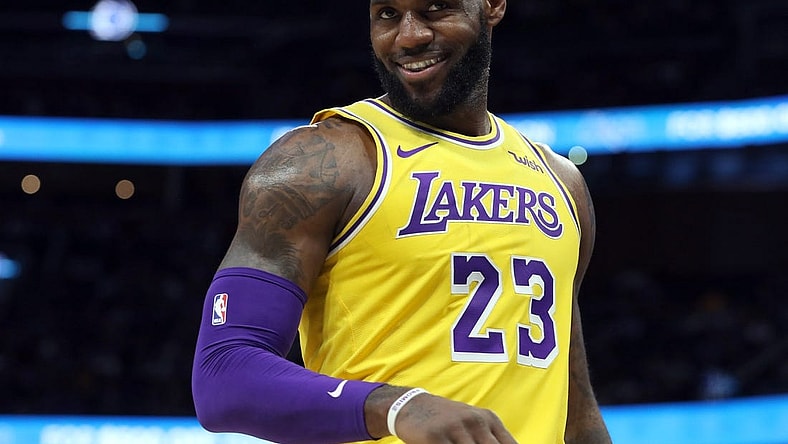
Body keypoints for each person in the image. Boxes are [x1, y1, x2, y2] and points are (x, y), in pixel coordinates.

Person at [192, 0, 612, 443]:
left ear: (492, 6)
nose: (409, 36)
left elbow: (576, 409)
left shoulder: (562, 184)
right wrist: (394, 406)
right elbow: (224, 373)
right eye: (388, 14)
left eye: (435, 8)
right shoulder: (325, 163)